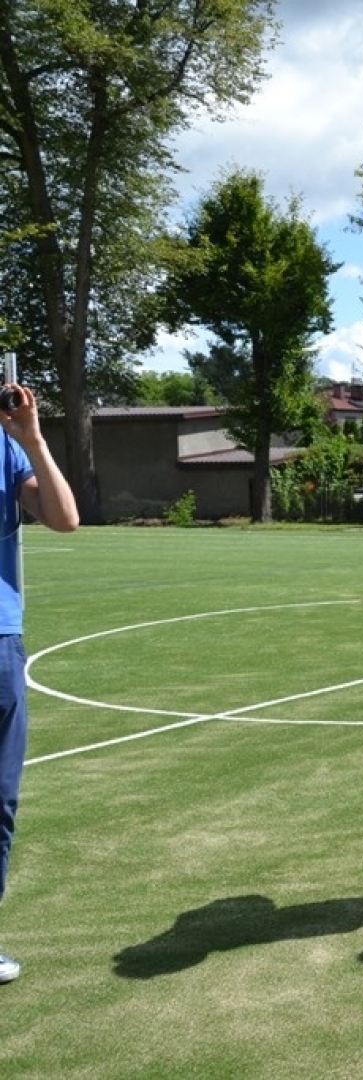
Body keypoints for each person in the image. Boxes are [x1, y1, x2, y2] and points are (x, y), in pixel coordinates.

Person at [0, 383, 80, 985]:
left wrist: (31, 437)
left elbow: (64, 518)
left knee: (0, 802)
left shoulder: (6, 448)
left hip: (0, 643)